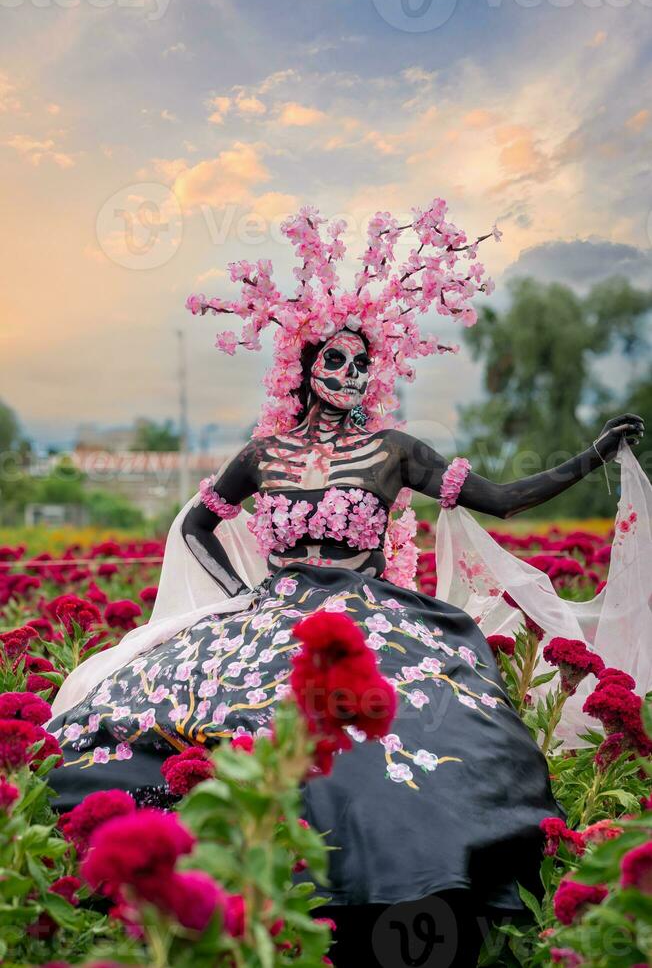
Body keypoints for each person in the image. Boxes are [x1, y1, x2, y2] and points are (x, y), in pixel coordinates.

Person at [48, 203, 647, 967]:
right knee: (196, 718)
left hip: (374, 614)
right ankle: (241, 883)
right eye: (334, 361)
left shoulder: (393, 451)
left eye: (361, 364)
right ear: (305, 367)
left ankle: (402, 892)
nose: (349, 375)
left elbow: (502, 498)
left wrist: (589, 458)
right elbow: (197, 523)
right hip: (275, 613)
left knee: (425, 727)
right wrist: (241, 593)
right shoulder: (263, 454)